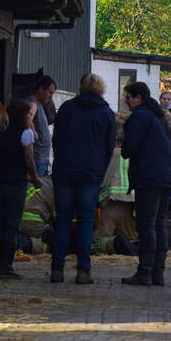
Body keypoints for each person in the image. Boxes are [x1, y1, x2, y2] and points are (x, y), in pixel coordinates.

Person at [49, 73, 116, 284]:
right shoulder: (106, 113)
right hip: (90, 174)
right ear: (100, 89)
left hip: (64, 172)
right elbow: (109, 148)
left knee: (63, 221)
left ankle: (57, 270)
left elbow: (56, 139)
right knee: (87, 222)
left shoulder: (67, 108)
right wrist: (99, 170)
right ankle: (83, 271)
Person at [120, 81, 171, 286]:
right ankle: (157, 273)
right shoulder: (159, 116)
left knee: (146, 225)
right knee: (159, 223)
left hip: (149, 178)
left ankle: (144, 272)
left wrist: (123, 145)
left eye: (128, 97)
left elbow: (130, 148)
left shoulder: (140, 116)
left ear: (138, 98)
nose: (125, 101)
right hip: (167, 176)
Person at [0, 98, 42, 279]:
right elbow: (29, 159)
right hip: (15, 183)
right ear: (22, 116)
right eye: (28, 114)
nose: (30, 117)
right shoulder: (25, 133)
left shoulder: (2, 132)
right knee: (11, 226)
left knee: (0, 224)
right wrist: (34, 178)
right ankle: (5, 265)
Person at [27, 75, 58, 178]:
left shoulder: (39, 104)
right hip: (37, 160)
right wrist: (35, 135)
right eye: (50, 92)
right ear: (41, 89)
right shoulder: (33, 103)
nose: (51, 97)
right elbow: (27, 120)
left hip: (41, 160)